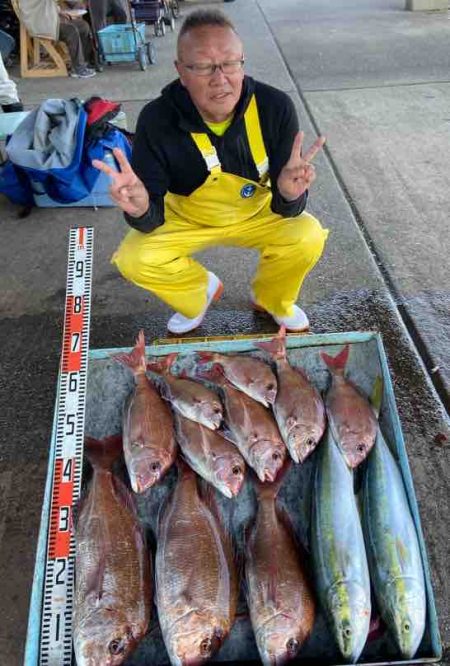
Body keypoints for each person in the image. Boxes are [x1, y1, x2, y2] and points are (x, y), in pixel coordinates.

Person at [94, 9, 328, 334]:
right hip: (186, 219)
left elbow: (288, 208)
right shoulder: (157, 119)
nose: (220, 78)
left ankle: (272, 299)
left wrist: (290, 194)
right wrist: (140, 207)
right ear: (181, 72)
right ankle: (197, 290)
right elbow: (150, 217)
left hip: (256, 214)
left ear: (242, 62)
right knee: (135, 258)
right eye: (203, 66)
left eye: (230, 63)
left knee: (307, 235)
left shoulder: (275, 108)